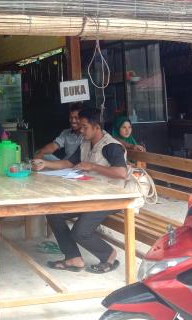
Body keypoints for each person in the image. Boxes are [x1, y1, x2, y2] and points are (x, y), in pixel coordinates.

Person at [32, 108, 128, 274]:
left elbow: (121, 173)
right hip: (89, 195)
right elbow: (69, 163)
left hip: (109, 198)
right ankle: (73, 258)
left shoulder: (111, 146)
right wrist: (45, 164)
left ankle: (108, 254)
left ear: (96, 127)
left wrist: (92, 166)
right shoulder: (85, 142)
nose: (81, 130)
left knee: (80, 232)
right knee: (54, 213)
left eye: (85, 127)